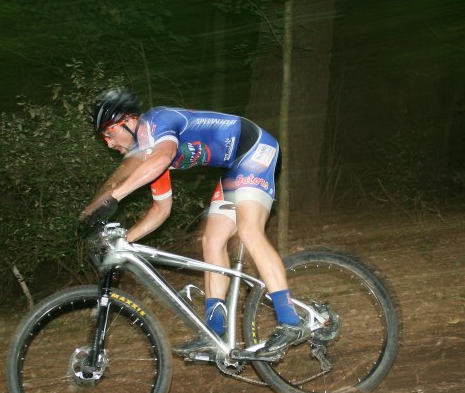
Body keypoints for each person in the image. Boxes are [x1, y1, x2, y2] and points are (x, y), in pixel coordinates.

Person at [80, 87, 307, 359]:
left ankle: (290, 320)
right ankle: (215, 331)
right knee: (211, 241)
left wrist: (114, 197)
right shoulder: (152, 156)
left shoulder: (156, 121)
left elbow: (163, 158)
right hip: (235, 168)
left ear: (128, 121)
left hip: (255, 148)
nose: (108, 143)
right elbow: (161, 210)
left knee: (248, 231)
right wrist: (124, 242)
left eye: (108, 133)